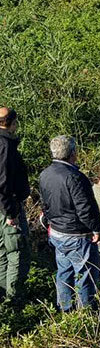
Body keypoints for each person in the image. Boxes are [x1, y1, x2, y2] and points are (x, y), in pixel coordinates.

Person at [39, 135, 100, 311]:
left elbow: (46, 203)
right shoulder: (75, 177)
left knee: (64, 272)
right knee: (85, 274)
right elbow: (85, 208)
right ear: (72, 153)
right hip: (76, 233)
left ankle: (65, 309)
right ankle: (87, 312)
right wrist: (95, 228)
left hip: (57, 231)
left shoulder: (45, 174)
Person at [0, 107, 31, 304]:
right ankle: (15, 300)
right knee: (17, 253)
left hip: (2, 207)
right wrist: (11, 212)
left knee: (2, 253)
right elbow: (2, 182)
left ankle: (4, 297)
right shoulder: (5, 146)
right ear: (12, 124)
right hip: (7, 209)